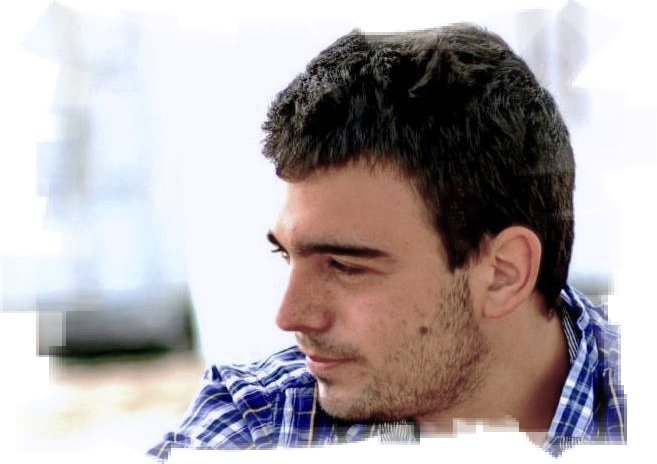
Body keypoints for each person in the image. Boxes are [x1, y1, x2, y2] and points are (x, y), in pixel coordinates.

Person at [143, 12, 657, 464]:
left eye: (345, 265)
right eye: (288, 256)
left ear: (503, 273)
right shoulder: (263, 430)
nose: (291, 315)